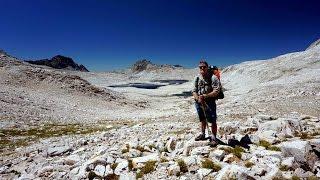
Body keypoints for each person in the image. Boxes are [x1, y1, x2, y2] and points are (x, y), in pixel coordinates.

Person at [192, 60, 221, 145]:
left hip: (210, 102)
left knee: (212, 120)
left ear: (207, 67)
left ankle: (214, 137)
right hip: (199, 102)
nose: (202, 68)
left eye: (204, 67)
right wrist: (198, 99)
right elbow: (194, 90)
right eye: (200, 67)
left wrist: (205, 96)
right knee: (202, 119)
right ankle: (203, 134)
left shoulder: (213, 77)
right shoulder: (197, 78)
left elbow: (216, 91)